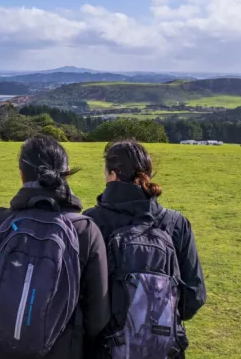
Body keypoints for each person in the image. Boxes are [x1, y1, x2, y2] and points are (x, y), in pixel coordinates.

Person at [0, 135, 110, 359]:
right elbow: (97, 316)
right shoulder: (85, 231)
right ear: (66, 172)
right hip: (62, 350)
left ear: (21, 174)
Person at [84, 140, 206, 359]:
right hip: (162, 349)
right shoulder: (176, 223)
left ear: (112, 175)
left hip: (104, 350)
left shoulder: (91, 222)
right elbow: (194, 296)